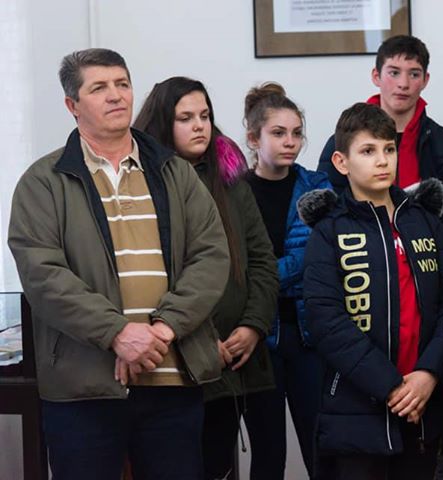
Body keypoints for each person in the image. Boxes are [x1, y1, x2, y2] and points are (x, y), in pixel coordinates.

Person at [8, 49, 229, 480]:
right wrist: (118, 333)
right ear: (72, 105)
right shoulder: (43, 181)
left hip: (172, 377)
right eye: (99, 88)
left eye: (122, 84)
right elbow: (43, 274)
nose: (116, 95)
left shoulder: (175, 172)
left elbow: (211, 255)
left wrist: (163, 329)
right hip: (84, 387)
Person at [300, 102, 443, 479]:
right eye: (368, 150)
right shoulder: (330, 231)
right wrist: (390, 386)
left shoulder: (425, 222)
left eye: (388, 149)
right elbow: (326, 320)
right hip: (358, 410)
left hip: (423, 403)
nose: (382, 160)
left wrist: (429, 373)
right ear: (342, 162)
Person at [133, 76, 279, 480]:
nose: (200, 126)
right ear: (163, 124)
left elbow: (262, 261)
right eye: (185, 118)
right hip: (179, 358)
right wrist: (198, 339)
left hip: (239, 355)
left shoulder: (231, 180)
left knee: (229, 463)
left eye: (205, 115)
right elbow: (150, 277)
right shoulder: (145, 186)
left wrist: (253, 325)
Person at [317, 35, 443, 270]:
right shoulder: (341, 145)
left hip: (438, 273)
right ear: (376, 76)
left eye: (414, 74)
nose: (403, 84)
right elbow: (327, 219)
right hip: (361, 272)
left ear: (426, 80)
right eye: (394, 72)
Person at [238, 82, 331, 479]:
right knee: (267, 453)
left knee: (321, 449)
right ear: (253, 138)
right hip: (258, 337)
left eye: (296, 133)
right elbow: (231, 268)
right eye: (278, 133)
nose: (290, 142)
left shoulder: (318, 187)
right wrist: (262, 282)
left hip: (309, 335)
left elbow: (316, 257)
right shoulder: (234, 192)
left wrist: (261, 279)